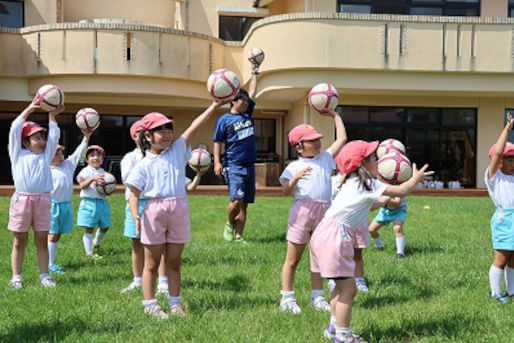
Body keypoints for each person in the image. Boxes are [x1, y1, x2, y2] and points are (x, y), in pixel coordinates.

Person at [310, 140, 432, 343]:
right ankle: (343, 336)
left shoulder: (352, 182)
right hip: (335, 236)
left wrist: (383, 200)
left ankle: (333, 326)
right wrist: (415, 178)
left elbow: (368, 204)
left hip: (322, 234)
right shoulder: (368, 183)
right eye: (375, 158)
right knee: (349, 289)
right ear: (362, 164)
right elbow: (401, 191)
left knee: (338, 287)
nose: (379, 161)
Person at [126, 102, 223, 319]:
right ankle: (150, 304)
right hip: (154, 211)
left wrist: (214, 105)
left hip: (178, 207)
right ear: (148, 136)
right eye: (160, 130)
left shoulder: (178, 149)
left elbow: (195, 126)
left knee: (174, 262)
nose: (167, 133)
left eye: (168, 128)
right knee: (151, 263)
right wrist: (135, 215)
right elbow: (133, 193)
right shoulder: (143, 164)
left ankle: (175, 303)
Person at [278, 114, 347, 314]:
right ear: (299, 147)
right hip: (302, 212)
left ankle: (317, 296)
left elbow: (342, 139)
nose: (317, 143)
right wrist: (295, 179)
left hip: (324, 212)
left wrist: (335, 115)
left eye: (318, 139)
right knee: (293, 259)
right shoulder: (293, 167)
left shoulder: (325, 158)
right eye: (312, 141)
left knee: (317, 257)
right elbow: (285, 192)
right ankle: (287, 298)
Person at [7, 97, 63, 289]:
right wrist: (30, 108)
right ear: (25, 142)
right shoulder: (17, 154)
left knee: (41, 239)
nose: (41, 141)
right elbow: (15, 128)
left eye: (42, 137)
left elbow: (54, 135)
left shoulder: (46, 155)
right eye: (36, 138)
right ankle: (16, 277)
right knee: (19, 240)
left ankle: (44, 275)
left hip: (43, 200)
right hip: (22, 201)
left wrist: (52, 115)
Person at [213, 62, 260, 242]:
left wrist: (255, 73)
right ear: (234, 100)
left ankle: (239, 237)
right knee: (236, 201)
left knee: (245, 205)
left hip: (249, 165)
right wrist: (217, 162)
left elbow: (253, 92)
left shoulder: (247, 115)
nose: (246, 103)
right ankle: (229, 223)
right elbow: (217, 142)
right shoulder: (224, 120)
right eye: (243, 101)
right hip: (234, 165)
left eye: (248, 102)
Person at [48, 129, 92, 273]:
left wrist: (86, 138)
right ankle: (49, 263)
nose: (60, 156)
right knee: (53, 234)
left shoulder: (68, 165)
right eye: (55, 154)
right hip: (52, 205)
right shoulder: (46, 169)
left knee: (58, 233)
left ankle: (51, 261)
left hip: (65, 205)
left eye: (60, 152)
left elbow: (79, 151)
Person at [484, 113, 514, 304]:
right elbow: (497, 153)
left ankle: (511, 291)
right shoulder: (494, 177)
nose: (513, 162)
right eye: (509, 159)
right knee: (501, 258)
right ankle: (496, 293)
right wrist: (507, 129)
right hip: (505, 219)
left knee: (513, 259)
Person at [330, 173, 371, 293]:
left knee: (357, 253)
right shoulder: (333, 181)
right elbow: (331, 199)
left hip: (359, 221)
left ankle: (359, 279)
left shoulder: (362, 181)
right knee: (338, 253)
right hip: (340, 223)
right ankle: (334, 279)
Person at [76, 144, 111, 258]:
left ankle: (96, 241)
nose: (95, 157)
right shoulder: (85, 171)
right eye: (92, 155)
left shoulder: (104, 173)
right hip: (89, 202)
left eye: (98, 155)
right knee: (89, 227)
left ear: (102, 159)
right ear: (86, 159)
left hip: (102, 203)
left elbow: (108, 188)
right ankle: (89, 252)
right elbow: (81, 185)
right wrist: (92, 179)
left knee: (105, 226)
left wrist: (108, 189)